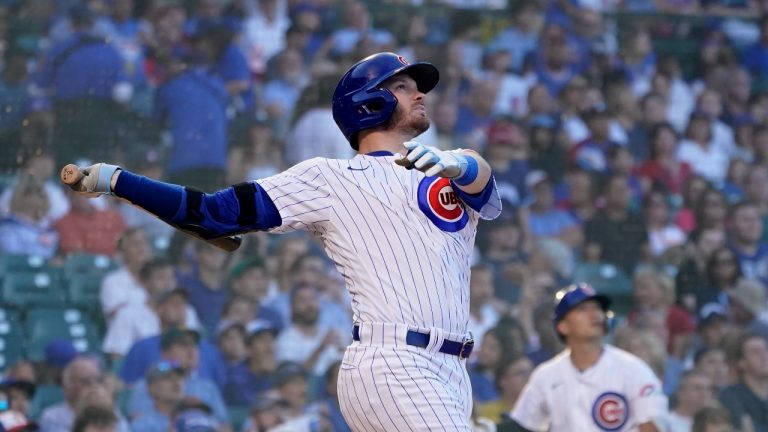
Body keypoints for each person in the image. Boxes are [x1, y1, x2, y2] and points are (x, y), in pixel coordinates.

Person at [63, 51, 500, 430]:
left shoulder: (448, 171)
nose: (420, 94)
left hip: (452, 370)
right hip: (395, 361)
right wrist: (120, 181)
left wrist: (456, 161)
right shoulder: (332, 177)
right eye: (403, 87)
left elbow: (483, 181)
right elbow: (214, 214)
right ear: (370, 101)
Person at [508, 283, 668, 431]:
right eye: (583, 309)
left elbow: (652, 426)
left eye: (598, 308)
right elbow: (524, 425)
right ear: (563, 326)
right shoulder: (545, 375)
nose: (595, 314)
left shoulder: (633, 370)